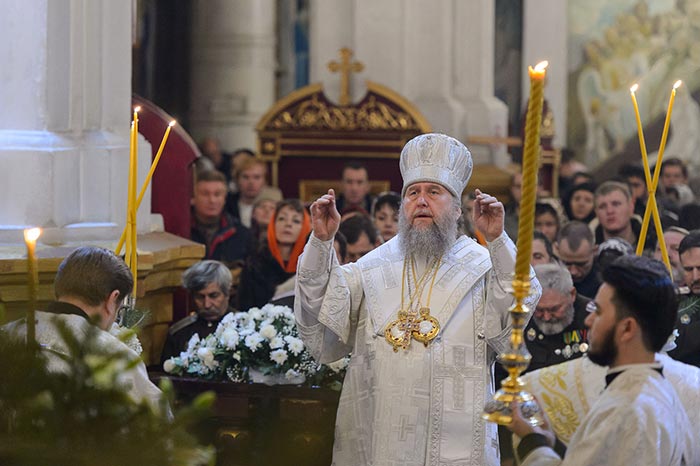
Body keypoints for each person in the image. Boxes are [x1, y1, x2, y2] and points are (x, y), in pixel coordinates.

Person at [294, 133, 541, 466]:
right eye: (413, 193)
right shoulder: (373, 266)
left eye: (434, 192)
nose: (421, 201)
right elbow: (322, 312)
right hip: (379, 436)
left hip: (455, 443)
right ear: (402, 207)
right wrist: (321, 243)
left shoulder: (483, 266)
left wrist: (497, 240)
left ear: (457, 209)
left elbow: (517, 304)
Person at [508, 255, 693, 465]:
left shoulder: (625, 411)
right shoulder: (659, 390)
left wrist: (532, 441)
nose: (588, 320)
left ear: (627, 328)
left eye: (598, 311)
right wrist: (546, 440)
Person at [1, 247, 162, 408]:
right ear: (112, 300)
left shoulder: (6, 335)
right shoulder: (115, 357)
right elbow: (157, 422)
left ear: (57, 289)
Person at [238, 199, 311, 310]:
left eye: (296, 221)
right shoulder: (254, 263)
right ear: (273, 224)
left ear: (305, 227)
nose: (288, 224)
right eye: (282, 219)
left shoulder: (310, 265)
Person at [160, 260, 235, 364]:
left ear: (228, 293)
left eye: (213, 296)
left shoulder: (244, 328)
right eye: (200, 297)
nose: (207, 304)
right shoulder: (179, 333)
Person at [190, 170, 252, 268]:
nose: (212, 200)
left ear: (224, 199)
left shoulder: (242, 234)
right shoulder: (181, 232)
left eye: (217, 194)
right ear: (192, 198)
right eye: (205, 194)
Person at [668, 230, 700, 367]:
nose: (695, 277)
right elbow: (672, 348)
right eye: (688, 269)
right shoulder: (674, 302)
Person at [556, 221, 601, 299]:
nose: (573, 272)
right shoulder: (544, 281)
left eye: (581, 264)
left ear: (595, 251)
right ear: (557, 250)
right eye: (567, 263)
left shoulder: (607, 284)